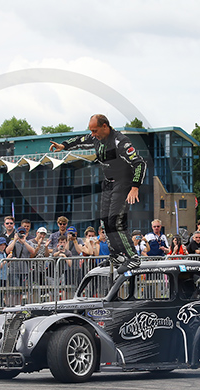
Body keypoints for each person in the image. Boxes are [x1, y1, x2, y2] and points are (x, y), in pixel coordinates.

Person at [50, 114, 147, 272]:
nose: (93, 134)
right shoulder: (95, 137)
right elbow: (80, 140)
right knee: (105, 223)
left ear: (105, 126)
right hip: (108, 183)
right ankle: (116, 254)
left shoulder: (120, 141)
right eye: (91, 131)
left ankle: (132, 257)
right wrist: (63, 146)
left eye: (95, 130)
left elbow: (139, 163)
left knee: (116, 221)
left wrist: (135, 186)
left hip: (123, 183)